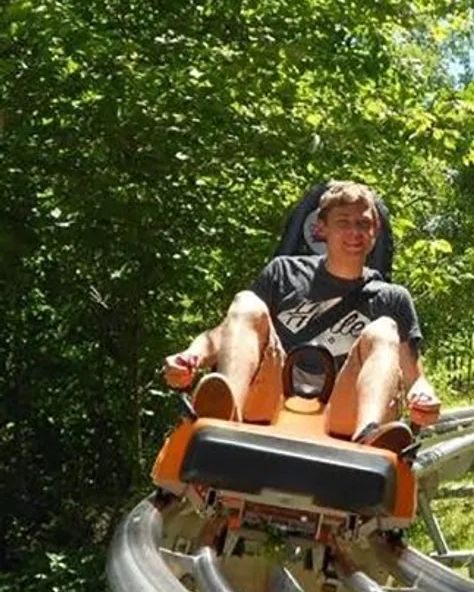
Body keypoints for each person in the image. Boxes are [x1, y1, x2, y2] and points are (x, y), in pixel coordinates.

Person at [162, 182, 440, 452]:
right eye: (343, 222)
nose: (354, 232)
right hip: (273, 401)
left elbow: (416, 377)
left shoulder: (392, 297)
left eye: (363, 224)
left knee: (384, 329)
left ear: (375, 232)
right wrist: (191, 356)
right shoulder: (283, 273)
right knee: (247, 302)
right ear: (321, 228)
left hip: (342, 413)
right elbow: (225, 332)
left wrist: (425, 398)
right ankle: (225, 416)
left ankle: (370, 438)